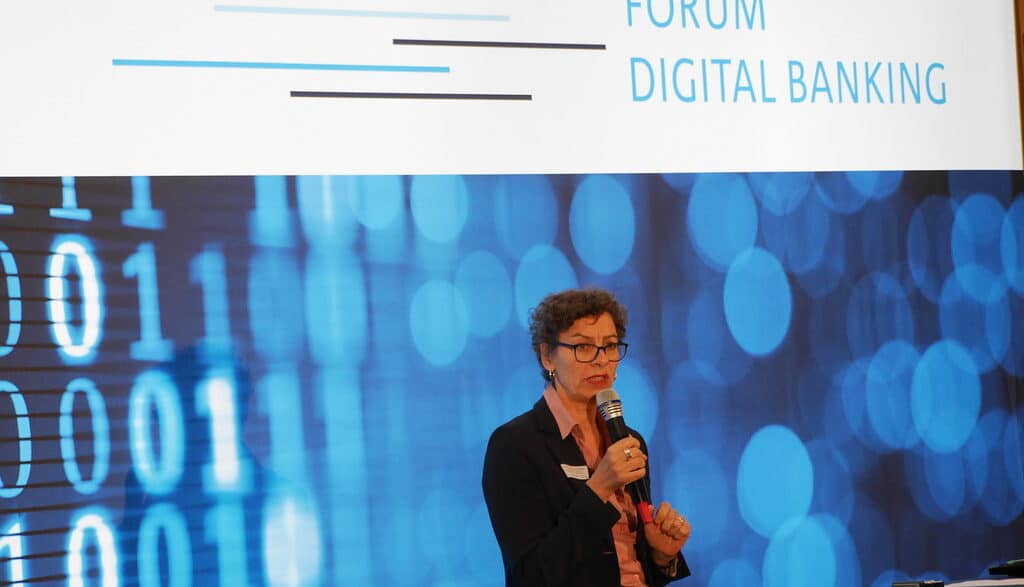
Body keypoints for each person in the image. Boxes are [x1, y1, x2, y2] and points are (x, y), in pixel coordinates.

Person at [482, 287, 691, 586]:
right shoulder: (515, 445)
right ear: (547, 356)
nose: (600, 360)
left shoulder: (628, 441)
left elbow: (626, 560)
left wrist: (661, 557)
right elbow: (531, 575)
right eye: (583, 347)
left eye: (610, 346)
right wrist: (599, 489)